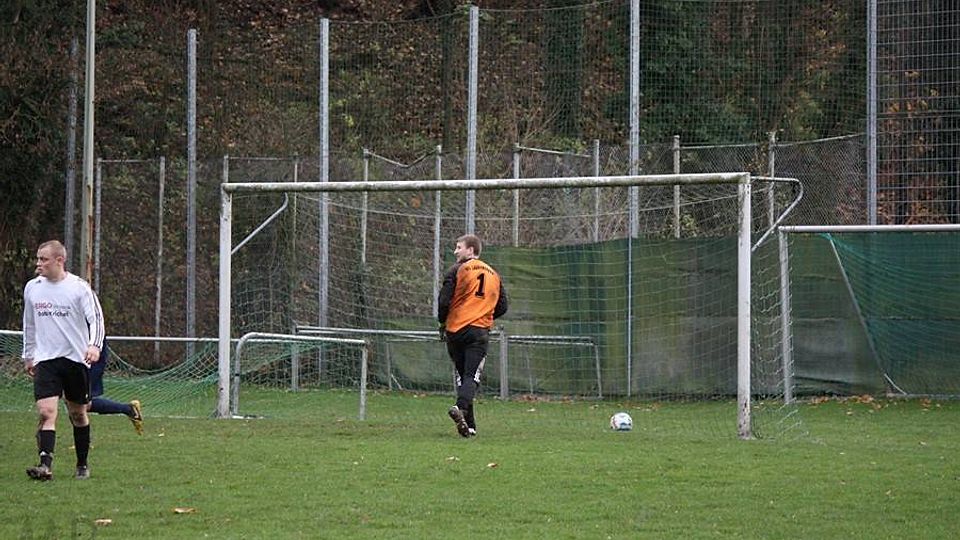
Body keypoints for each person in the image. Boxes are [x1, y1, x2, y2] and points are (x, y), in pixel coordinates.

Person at [22, 240, 105, 480]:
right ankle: (45, 465)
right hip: (46, 360)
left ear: (60, 260)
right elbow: (29, 324)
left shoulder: (79, 288)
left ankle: (82, 464)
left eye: (44, 259)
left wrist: (94, 345)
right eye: (38, 258)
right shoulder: (33, 288)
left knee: (78, 414)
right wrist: (29, 355)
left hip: (75, 359)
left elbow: (96, 319)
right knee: (46, 412)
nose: (38, 264)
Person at [437, 234, 508, 438]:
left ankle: (469, 425)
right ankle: (460, 408)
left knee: (463, 376)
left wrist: (443, 322)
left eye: (459, 247)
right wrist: (484, 313)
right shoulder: (494, 274)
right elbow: (503, 305)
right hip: (478, 331)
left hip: (455, 331)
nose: (455, 251)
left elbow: (443, 301)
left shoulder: (455, 270)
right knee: (471, 376)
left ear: (471, 250)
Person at [88, 340, 143, 435]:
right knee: (75, 404)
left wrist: (95, 346)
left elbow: (98, 332)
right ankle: (128, 409)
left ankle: (129, 409)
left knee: (79, 404)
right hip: (71, 355)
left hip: (89, 355)